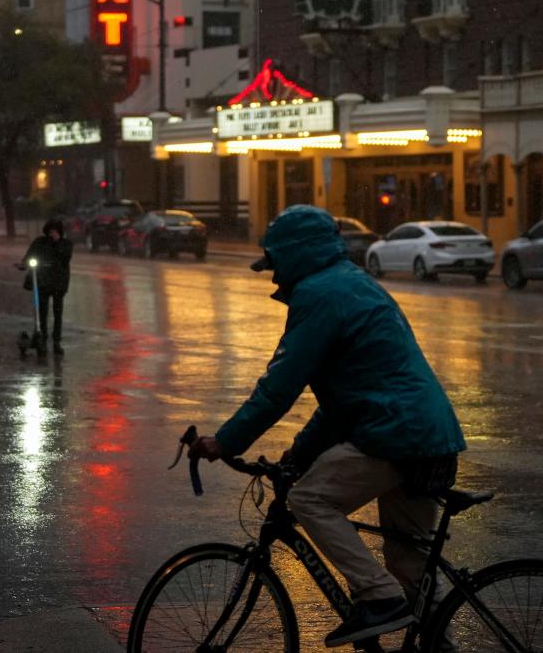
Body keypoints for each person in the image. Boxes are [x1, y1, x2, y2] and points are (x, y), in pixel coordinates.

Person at [188, 205, 465, 648]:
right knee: (410, 564)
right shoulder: (351, 284)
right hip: (427, 434)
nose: (274, 277)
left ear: (295, 254)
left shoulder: (319, 294)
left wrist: (225, 441)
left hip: (393, 434)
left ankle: (377, 599)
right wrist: (298, 455)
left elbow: (279, 388)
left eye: (275, 263)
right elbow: (340, 403)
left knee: (310, 500)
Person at [20, 217, 73, 355]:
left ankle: (56, 341)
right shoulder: (40, 242)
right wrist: (24, 263)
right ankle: (42, 337)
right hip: (43, 282)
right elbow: (29, 255)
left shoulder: (66, 244)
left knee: (57, 313)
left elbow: (65, 257)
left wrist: (57, 243)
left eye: (55, 231)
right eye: (51, 230)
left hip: (58, 283)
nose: (52, 233)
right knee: (42, 312)